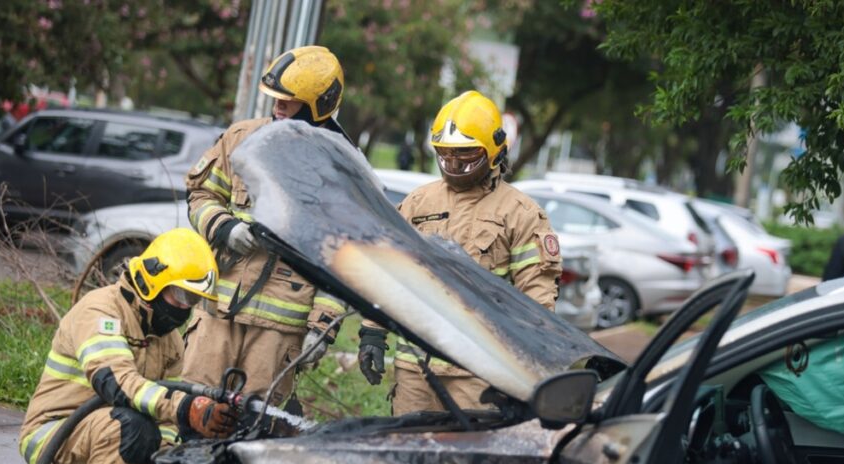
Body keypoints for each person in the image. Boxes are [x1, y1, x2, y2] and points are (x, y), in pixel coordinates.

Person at [20, 229, 237, 464]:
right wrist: (186, 409)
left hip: (105, 436)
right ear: (153, 282)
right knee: (131, 429)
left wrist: (175, 458)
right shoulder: (100, 311)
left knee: (162, 459)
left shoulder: (169, 339)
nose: (185, 308)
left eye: (194, 301)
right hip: (54, 440)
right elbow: (118, 383)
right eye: (181, 295)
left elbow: (166, 422)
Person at [356, 90, 562, 414]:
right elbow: (388, 272)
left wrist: (529, 367)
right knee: (408, 455)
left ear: (493, 151)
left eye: (465, 155)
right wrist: (372, 333)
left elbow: (537, 298)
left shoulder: (521, 213)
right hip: (415, 366)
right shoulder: (418, 203)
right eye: (446, 155)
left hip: (479, 372)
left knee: (467, 459)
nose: (454, 164)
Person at [181, 45, 349, 406]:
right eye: (275, 98)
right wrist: (224, 229)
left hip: (278, 334)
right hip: (216, 312)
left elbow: (343, 259)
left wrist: (323, 327)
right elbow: (199, 196)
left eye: (288, 101)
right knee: (194, 411)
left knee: (254, 429)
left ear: (318, 105)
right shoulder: (242, 138)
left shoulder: (339, 171)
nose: (277, 107)